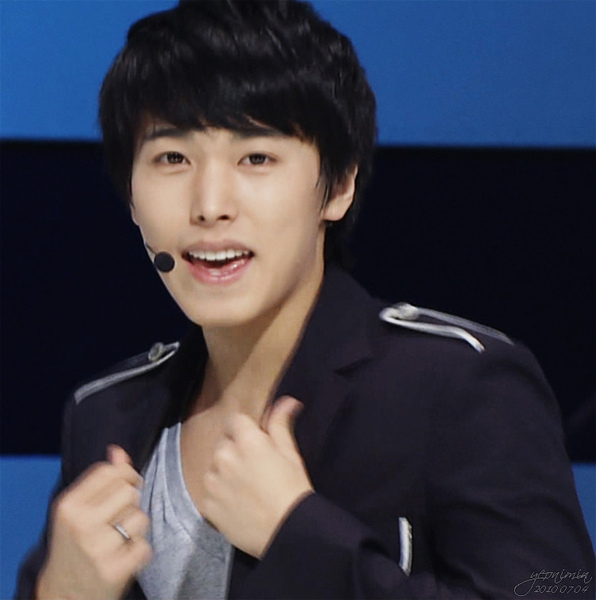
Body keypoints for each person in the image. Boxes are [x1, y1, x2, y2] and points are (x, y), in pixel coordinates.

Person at [16, 1, 595, 599]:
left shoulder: (459, 386)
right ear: (132, 197)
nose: (209, 205)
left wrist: (298, 536)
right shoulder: (105, 414)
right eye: (173, 159)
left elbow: (560, 591)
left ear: (338, 185)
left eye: (256, 158)